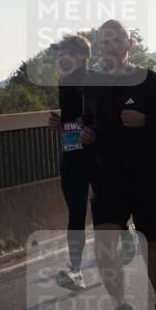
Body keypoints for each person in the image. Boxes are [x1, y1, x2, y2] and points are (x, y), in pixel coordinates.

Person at [80, 20, 156, 310]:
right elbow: (88, 122)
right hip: (109, 178)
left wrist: (144, 120)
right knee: (104, 247)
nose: (109, 46)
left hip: (146, 175)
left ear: (129, 44)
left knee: (152, 246)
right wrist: (87, 133)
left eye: (115, 40)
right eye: (104, 41)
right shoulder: (92, 84)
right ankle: (122, 309)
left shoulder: (149, 80)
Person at [47, 35, 106, 290]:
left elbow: (106, 117)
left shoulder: (96, 80)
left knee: (106, 210)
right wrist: (60, 122)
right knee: (76, 213)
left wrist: (92, 129)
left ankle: (126, 231)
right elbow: (73, 117)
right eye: (59, 55)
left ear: (81, 57)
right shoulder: (64, 82)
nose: (60, 59)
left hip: (97, 158)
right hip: (72, 157)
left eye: (65, 54)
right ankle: (76, 271)